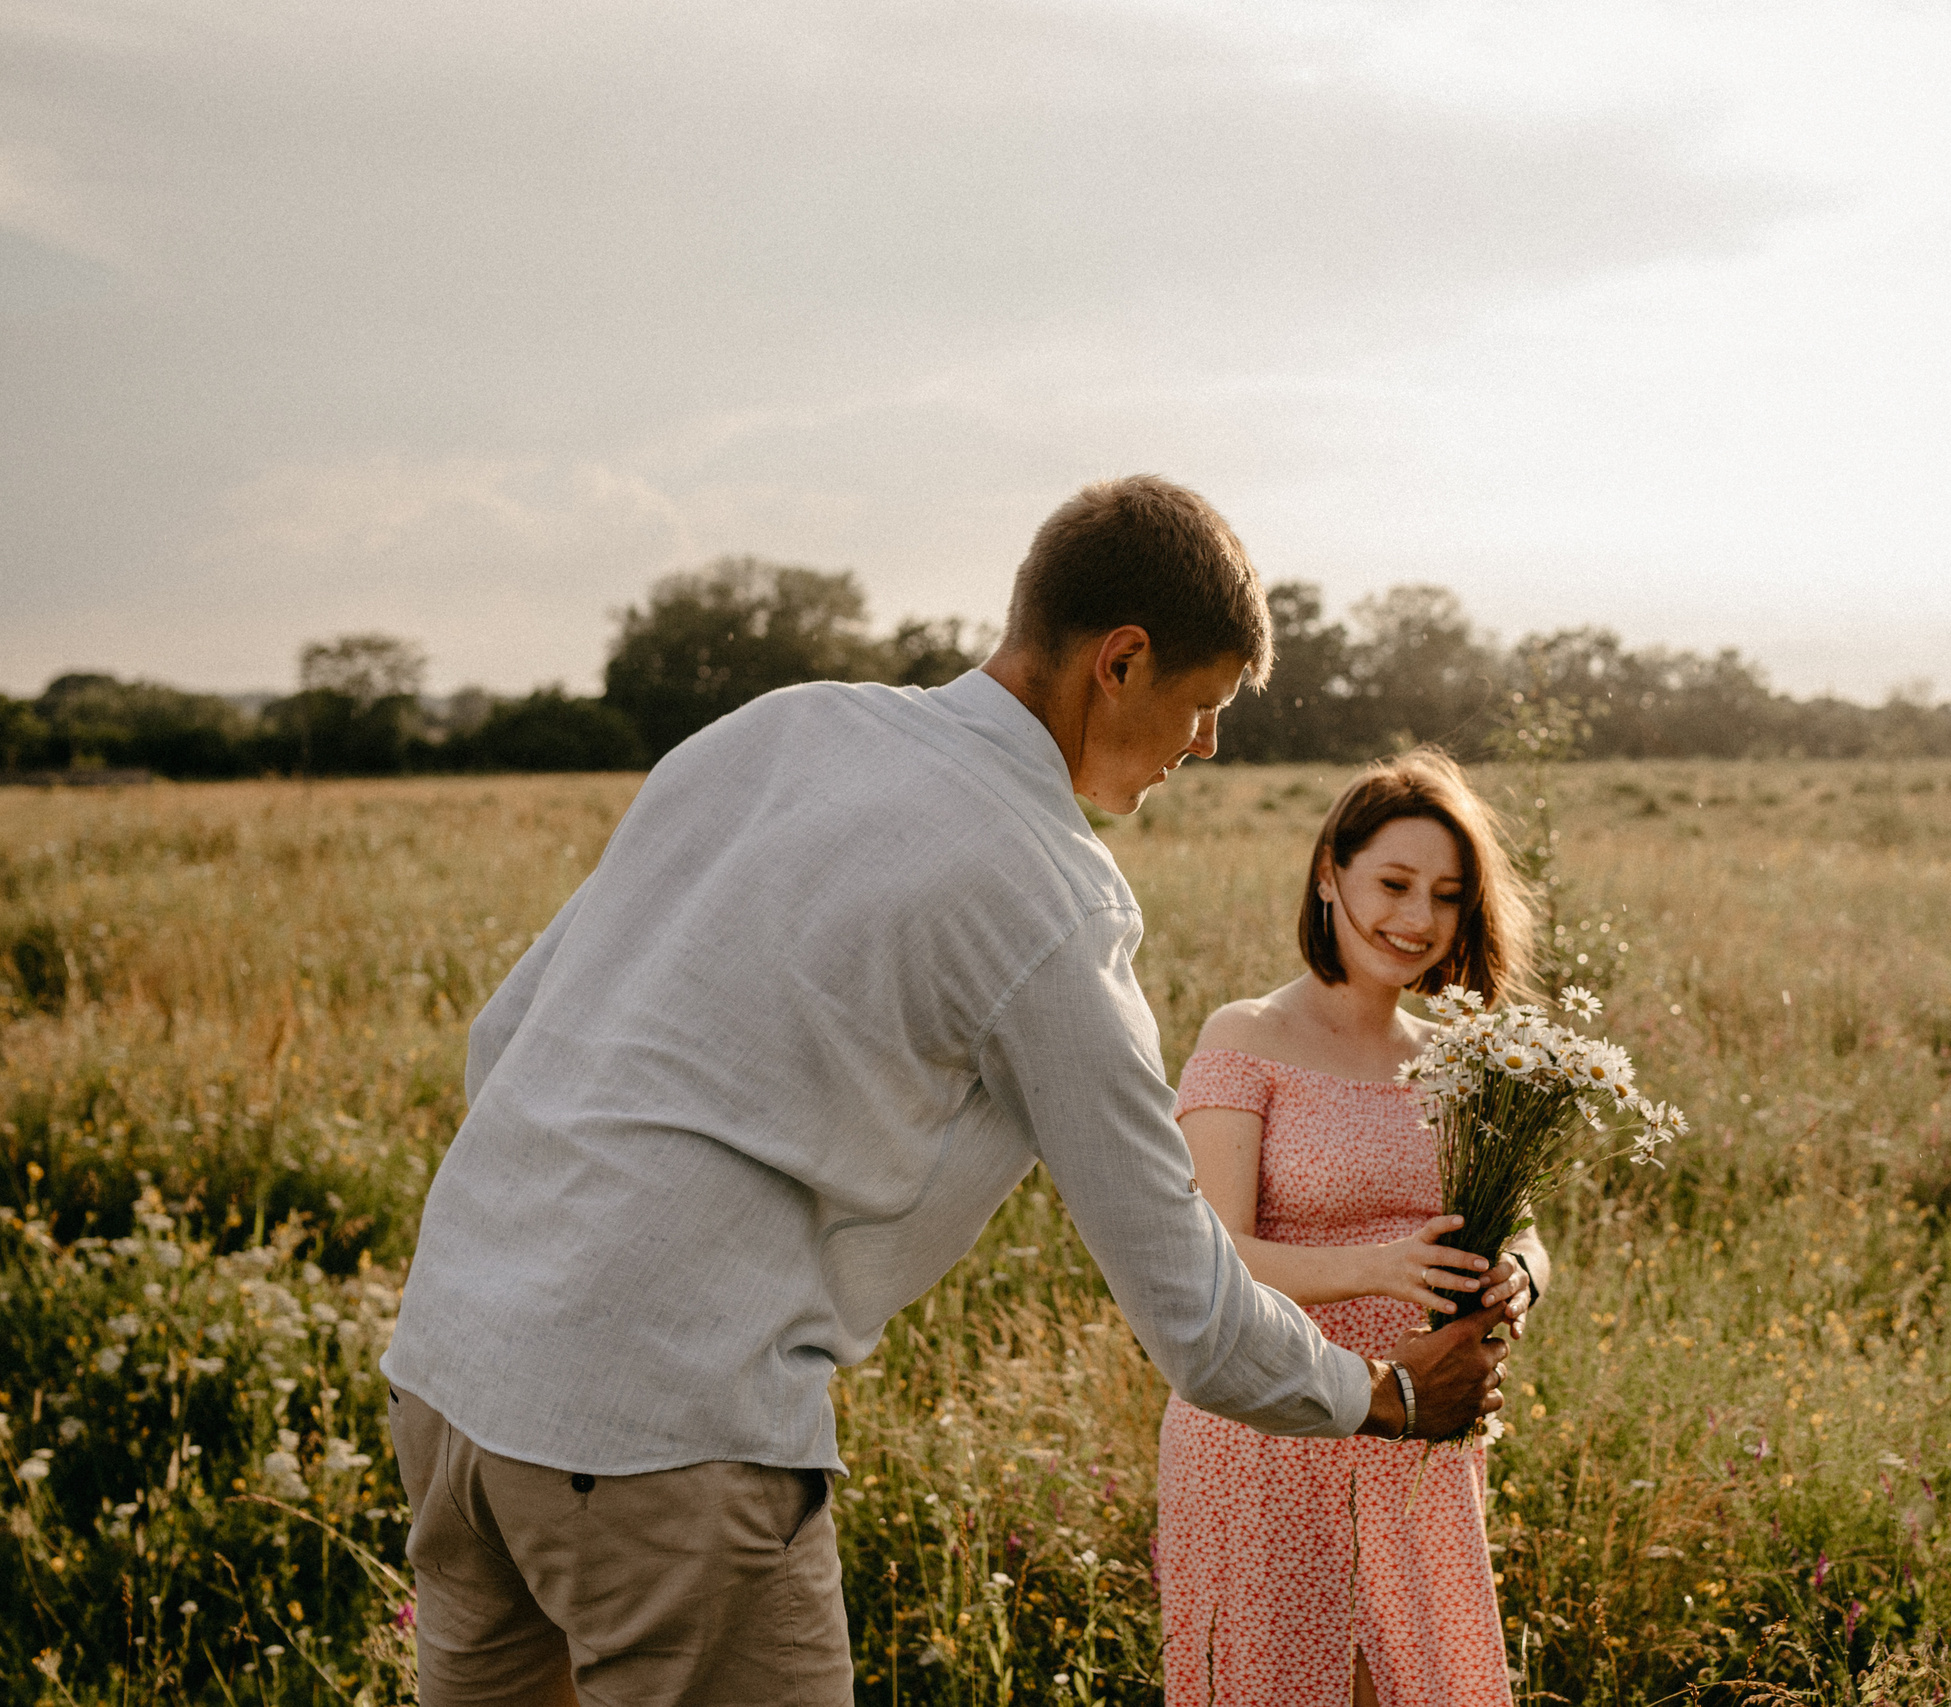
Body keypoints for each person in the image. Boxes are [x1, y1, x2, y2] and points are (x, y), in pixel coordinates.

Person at [378, 476, 1514, 1706]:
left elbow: (505, 1037)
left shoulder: (781, 728)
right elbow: (1187, 1302)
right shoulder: (1047, 894)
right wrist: (1387, 1394)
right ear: (1120, 662)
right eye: (1205, 704)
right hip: (665, 1441)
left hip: (449, 1376)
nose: (1207, 745)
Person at [1156, 748, 1550, 1707]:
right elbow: (1213, 1259)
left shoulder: (1460, 1059)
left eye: (1447, 895)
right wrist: (1381, 1265)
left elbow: (1529, 1231)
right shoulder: (1243, 1037)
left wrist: (1519, 1275)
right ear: (1330, 872)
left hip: (1423, 1440)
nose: (1416, 918)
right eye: (1395, 882)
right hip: (1272, 1422)